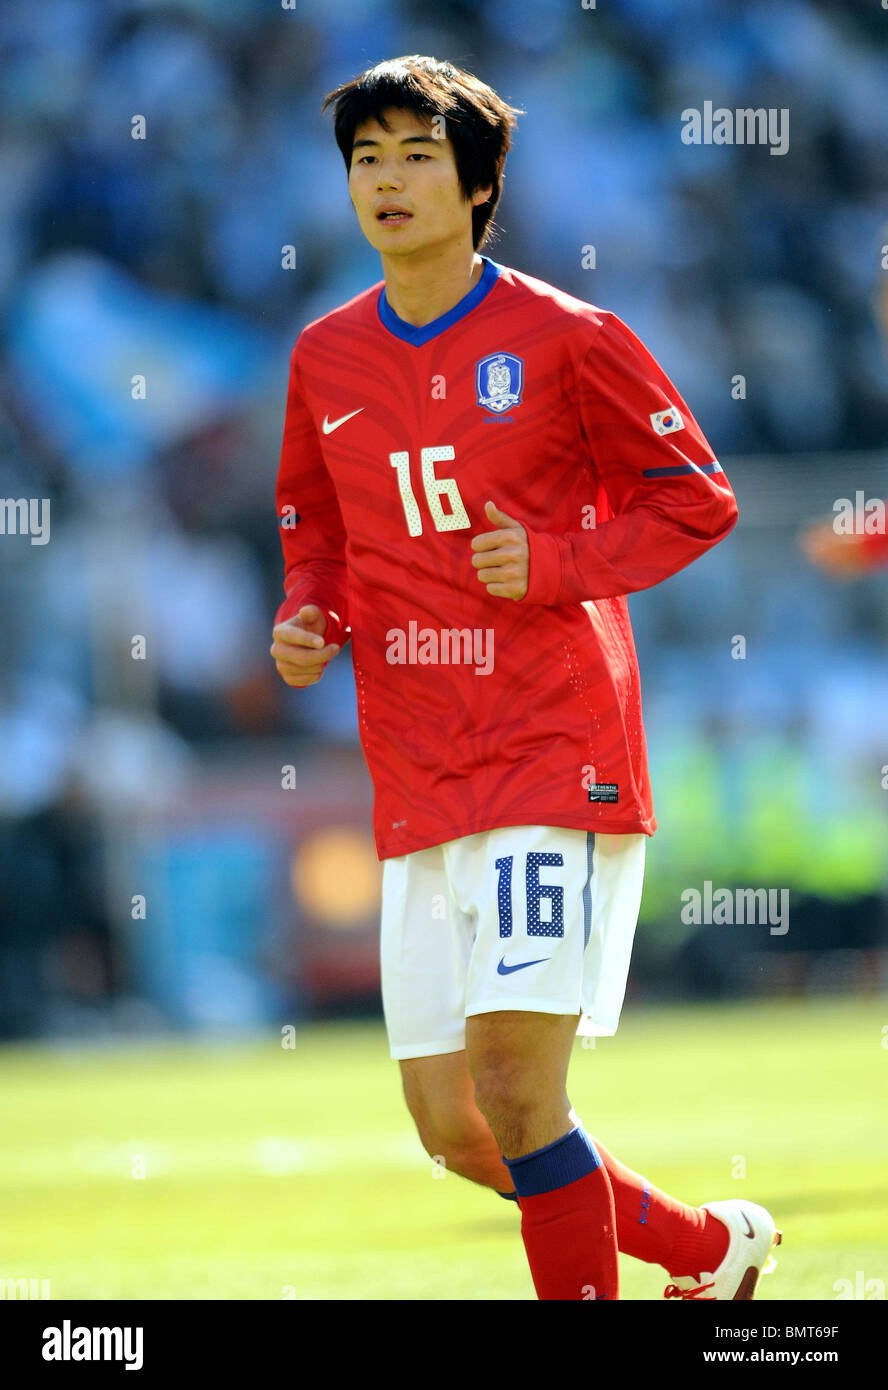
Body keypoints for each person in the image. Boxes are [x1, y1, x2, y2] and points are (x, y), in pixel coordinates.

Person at [270, 54, 780, 1301]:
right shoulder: (325, 356)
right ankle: (711, 1252)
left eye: (415, 157)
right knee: (458, 1130)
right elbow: (314, 528)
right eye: (364, 159)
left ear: (478, 181)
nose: (385, 181)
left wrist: (557, 560)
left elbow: (695, 499)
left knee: (517, 1087)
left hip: (554, 752)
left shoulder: (567, 336)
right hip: (417, 768)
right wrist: (307, 613)